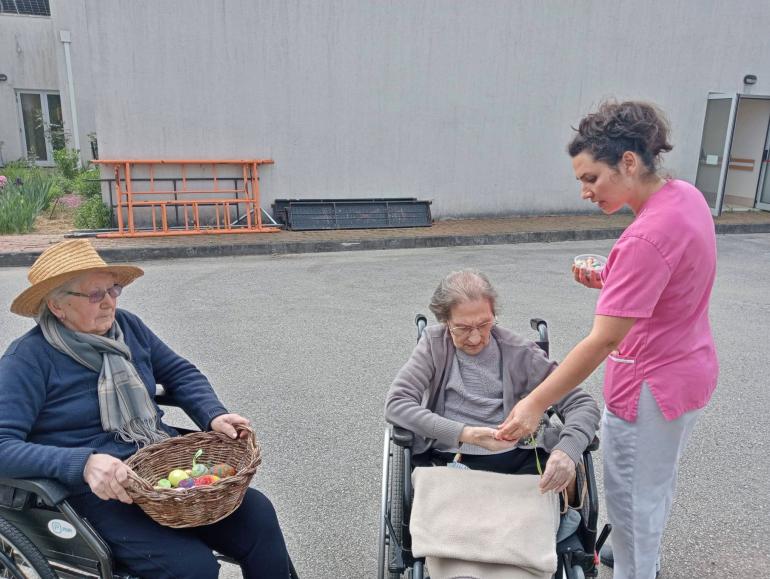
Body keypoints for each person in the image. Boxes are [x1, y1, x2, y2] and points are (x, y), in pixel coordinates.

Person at [497, 101, 718, 579]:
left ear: (629, 162)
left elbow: (600, 341)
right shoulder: (685, 198)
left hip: (649, 387)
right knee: (654, 490)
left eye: (592, 178)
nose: (584, 191)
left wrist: (534, 403)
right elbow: (672, 279)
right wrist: (611, 277)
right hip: (688, 374)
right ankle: (646, 561)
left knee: (632, 509)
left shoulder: (644, 237)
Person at [0, 239, 291, 579]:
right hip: (100, 493)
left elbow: (180, 372)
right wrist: (83, 463)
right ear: (57, 306)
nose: (109, 303)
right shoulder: (28, 359)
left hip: (158, 471)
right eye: (95, 295)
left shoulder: (129, 328)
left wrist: (213, 414)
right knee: (192, 568)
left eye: (113, 290)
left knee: (257, 514)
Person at [385, 269, 600, 503]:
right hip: (449, 459)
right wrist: (466, 434)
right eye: (463, 328)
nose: (476, 338)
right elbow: (397, 404)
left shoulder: (519, 351)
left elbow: (581, 403)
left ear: (493, 314)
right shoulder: (434, 346)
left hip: (520, 458)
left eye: (484, 324)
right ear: (445, 321)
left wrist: (567, 449)